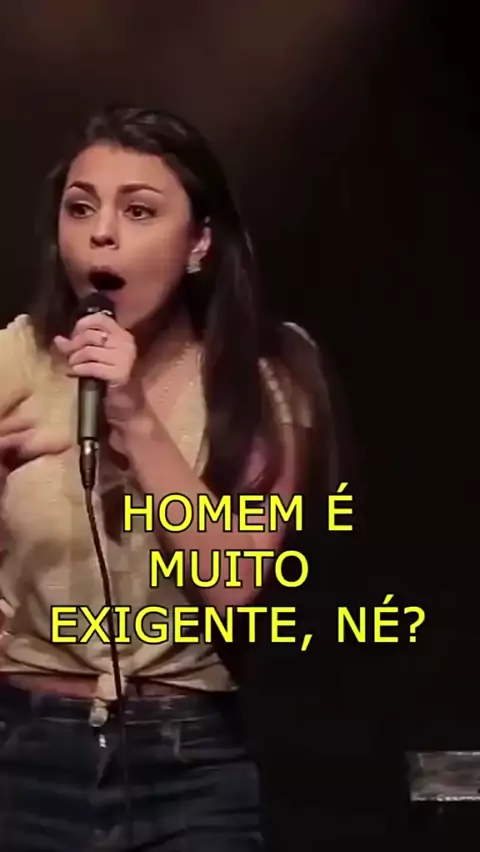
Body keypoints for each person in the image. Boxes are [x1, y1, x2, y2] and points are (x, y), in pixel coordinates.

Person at [0, 105, 338, 851]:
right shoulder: (19, 358)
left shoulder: (264, 377)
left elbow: (235, 585)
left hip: (189, 766)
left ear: (199, 244)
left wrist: (134, 416)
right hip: (24, 757)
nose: (102, 234)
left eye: (139, 210)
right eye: (80, 208)